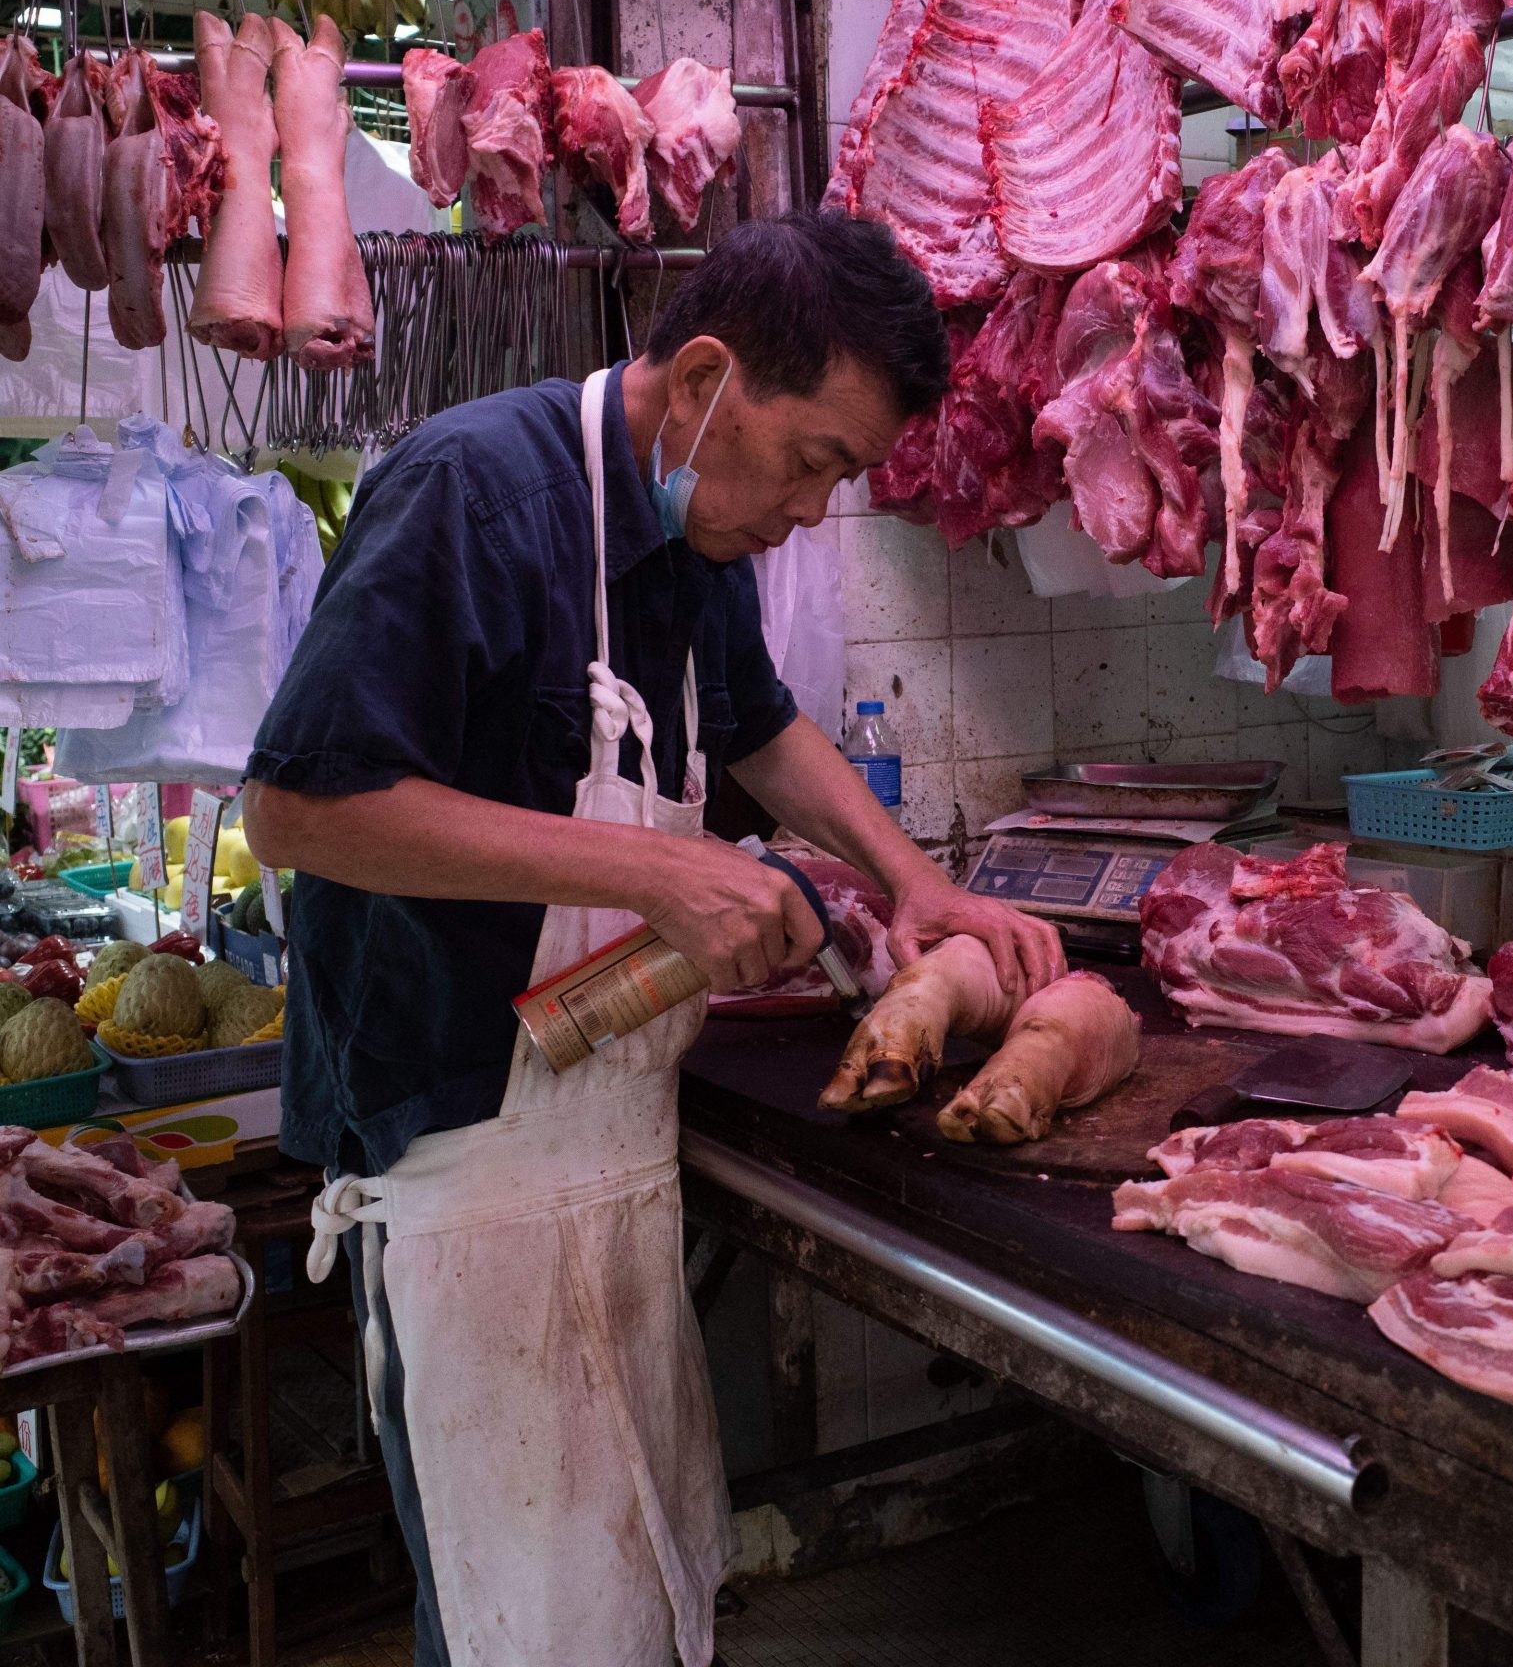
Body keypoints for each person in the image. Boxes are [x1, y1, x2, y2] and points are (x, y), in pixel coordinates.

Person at [239, 211, 1063, 1667]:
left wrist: (911, 882)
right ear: (701, 381)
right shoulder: (472, 495)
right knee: (516, 1622)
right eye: (813, 459)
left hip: (611, 1154)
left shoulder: (688, 532)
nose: (814, 510)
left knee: (634, 1594)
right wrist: (658, 876)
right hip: (460, 1168)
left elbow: (754, 726)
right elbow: (306, 806)